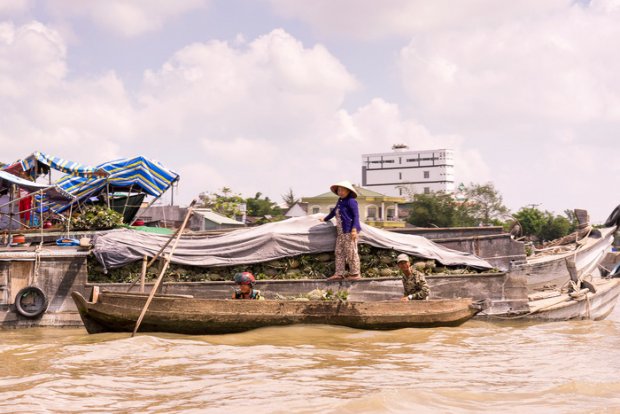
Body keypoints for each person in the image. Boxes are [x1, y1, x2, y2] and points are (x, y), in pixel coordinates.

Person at [320, 180, 362, 281]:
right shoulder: (340, 201)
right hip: (341, 232)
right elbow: (334, 211)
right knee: (339, 252)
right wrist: (325, 219)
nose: (340, 192)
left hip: (349, 231)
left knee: (351, 252)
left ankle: (355, 274)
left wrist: (354, 229)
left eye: (343, 190)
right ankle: (339, 273)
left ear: (348, 191)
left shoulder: (351, 201)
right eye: (339, 190)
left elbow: (356, 216)